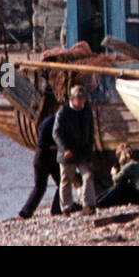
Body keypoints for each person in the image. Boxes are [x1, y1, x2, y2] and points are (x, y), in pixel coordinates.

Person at [54, 86, 98, 214]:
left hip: (83, 152)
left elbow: (91, 131)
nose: (81, 101)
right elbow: (56, 133)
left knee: (88, 175)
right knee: (66, 180)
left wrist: (90, 147)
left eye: (83, 98)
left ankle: (88, 205)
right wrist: (65, 148)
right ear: (72, 99)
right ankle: (66, 208)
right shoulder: (63, 112)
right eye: (79, 99)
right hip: (67, 152)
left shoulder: (87, 110)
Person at [17, 112, 64, 219]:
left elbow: (39, 128)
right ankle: (26, 212)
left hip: (49, 158)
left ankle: (27, 212)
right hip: (43, 159)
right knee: (41, 187)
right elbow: (42, 144)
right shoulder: (50, 123)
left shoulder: (50, 121)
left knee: (60, 183)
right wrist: (59, 147)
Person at [95, 144, 139, 208]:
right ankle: (97, 199)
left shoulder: (129, 166)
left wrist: (113, 173)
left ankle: (100, 203)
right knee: (123, 186)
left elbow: (116, 179)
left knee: (121, 186)